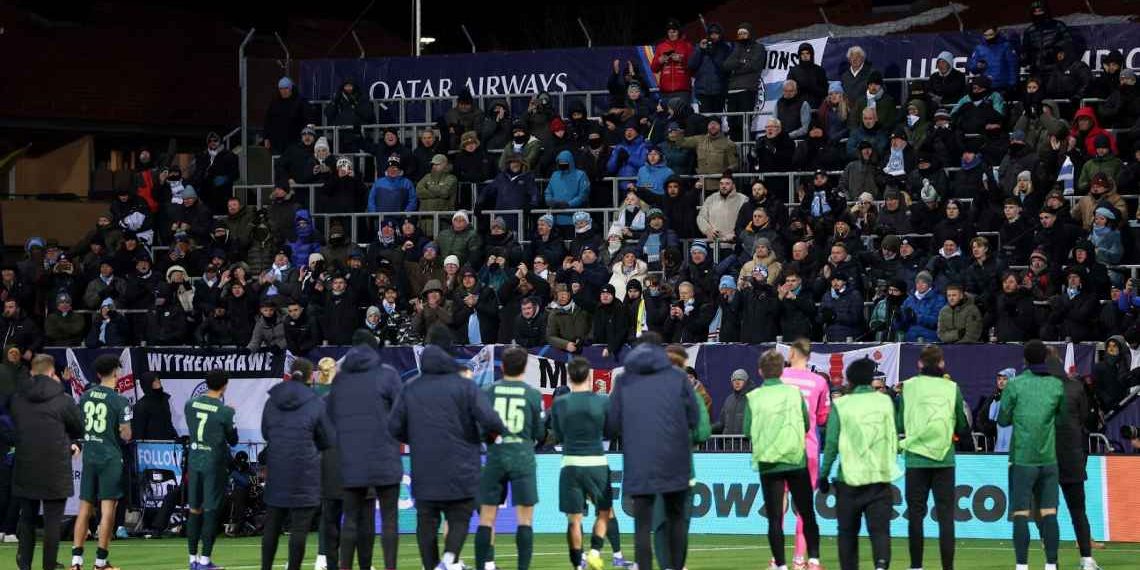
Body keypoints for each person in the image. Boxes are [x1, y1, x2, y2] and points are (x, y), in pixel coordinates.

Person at [388, 337, 507, 570]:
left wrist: (416, 439)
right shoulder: (464, 386)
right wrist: (494, 433)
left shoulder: (410, 388)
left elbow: (393, 428)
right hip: (461, 467)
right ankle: (450, 558)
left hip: (425, 469)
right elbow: (490, 419)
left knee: (426, 523)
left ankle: (432, 566)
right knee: (459, 516)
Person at [606, 340, 704, 570]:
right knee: (677, 520)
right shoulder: (678, 379)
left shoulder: (624, 381)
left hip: (639, 463)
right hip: (675, 462)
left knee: (642, 528)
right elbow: (694, 419)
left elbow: (611, 426)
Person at [328, 332, 403, 570]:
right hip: (385, 456)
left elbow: (329, 418)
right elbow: (402, 415)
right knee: (389, 520)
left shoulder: (341, 379)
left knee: (350, 518)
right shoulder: (388, 374)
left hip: (351, 459)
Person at [819, 357, 900, 570]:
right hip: (879, 478)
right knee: (880, 531)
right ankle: (881, 565)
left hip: (849, 481)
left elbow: (832, 443)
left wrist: (823, 474)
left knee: (847, 533)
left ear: (850, 380)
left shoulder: (842, 404)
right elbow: (892, 436)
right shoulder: (884, 402)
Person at [745, 350, 822, 570]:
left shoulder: (754, 397)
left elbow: (747, 430)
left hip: (769, 463)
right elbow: (806, 424)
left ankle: (780, 564)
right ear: (781, 371)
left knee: (775, 518)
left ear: (760, 372)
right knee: (806, 512)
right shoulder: (794, 393)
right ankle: (813, 559)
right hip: (795, 459)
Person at [897, 346, 971, 570]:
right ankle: (947, 567)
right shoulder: (952, 388)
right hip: (943, 459)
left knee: (916, 516)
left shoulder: (907, 387)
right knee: (946, 517)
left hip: (916, 459)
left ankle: (916, 566)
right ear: (941, 364)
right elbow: (961, 422)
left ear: (920, 364)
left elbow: (900, 422)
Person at [474, 346, 545, 570]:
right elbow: (540, 433)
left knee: (486, 518)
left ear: (502, 367)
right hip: (523, 456)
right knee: (524, 521)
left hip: (495, 457)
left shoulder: (488, 392)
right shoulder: (532, 394)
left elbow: (480, 428)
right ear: (524, 367)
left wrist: (493, 440)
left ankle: (484, 565)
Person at [259, 358, 334, 570]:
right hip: (305, 471)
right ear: (311, 377)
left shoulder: (272, 400)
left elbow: (266, 432)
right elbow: (326, 438)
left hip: (277, 468)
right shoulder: (315, 402)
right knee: (299, 529)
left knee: (272, 526)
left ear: (291, 374)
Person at [997, 340, 1065, 570]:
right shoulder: (1056, 386)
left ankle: (1022, 566)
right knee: (1049, 513)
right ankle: (1051, 565)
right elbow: (1061, 416)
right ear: (1045, 359)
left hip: (1022, 460)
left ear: (1025, 360)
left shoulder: (1014, 386)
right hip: (1048, 459)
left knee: (1020, 513)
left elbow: (1003, 419)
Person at [12, 355, 84, 570]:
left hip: (26, 464)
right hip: (55, 466)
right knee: (52, 523)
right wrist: (68, 441)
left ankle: (24, 565)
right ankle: (49, 566)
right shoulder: (63, 399)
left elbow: (14, 426)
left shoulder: (18, 398)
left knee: (27, 520)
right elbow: (79, 428)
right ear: (53, 373)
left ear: (32, 372)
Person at [70, 354, 132, 570]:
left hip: (91, 455)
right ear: (116, 372)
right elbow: (126, 435)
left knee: (84, 508)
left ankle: (76, 562)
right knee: (107, 510)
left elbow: (80, 424)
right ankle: (100, 562)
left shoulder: (86, 396)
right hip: (110, 458)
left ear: (97, 374)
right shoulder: (120, 400)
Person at [550, 357, 613, 570]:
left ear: (569, 377)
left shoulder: (559, 403)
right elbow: (611, 431)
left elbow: (557, 434)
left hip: (570, 464)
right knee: (604, 511)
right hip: (597, 462)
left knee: (574, 519)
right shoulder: (603, 401)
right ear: (589, 376)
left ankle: (578, 564)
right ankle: (595, 551)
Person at [780, 339, 831, 566]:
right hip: (808, 448)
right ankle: (801, 558)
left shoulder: (778, 379)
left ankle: (776, 558)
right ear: (809, 355)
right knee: (804, 506)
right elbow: (823, 417)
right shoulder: (819, 382)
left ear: (791, 353)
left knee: (778, 502)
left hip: (781, 448)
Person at [185, 370, 238, 570]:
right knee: (210, 511)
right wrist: (233, 417)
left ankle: (192, 559)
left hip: (195, 460)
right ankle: (205, 561)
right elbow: (233, 440)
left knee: (193, 510)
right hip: (213, 463)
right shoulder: (225, 411)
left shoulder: (190, 404)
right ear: (225, 385)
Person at [1055, 356, 1102, 570]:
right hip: (1073, 455)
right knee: (1078, 511)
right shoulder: (1076, 387)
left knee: (1047, 511)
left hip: (1048, 456)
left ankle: (1051, 562)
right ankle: (1087, 559)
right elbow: (1086, 418)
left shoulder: (1041, 389)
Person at [131, 373, 178, 440]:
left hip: (169, 444)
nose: (158, 381)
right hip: (151, 447)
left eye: (158, 379)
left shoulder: (164, 400)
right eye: (154, 380)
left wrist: (176, 438)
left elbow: (168, 423)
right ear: (148, 384)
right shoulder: (141, 406)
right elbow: (138, 432)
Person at [712, 369, 753, 435]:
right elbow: (722, 423)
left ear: (746, 382)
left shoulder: (752, 399)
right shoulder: (729, 399)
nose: (737, 382)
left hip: (745, 444)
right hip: (728, 444)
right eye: (734, 380)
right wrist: (708, 431)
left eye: (740, 379)